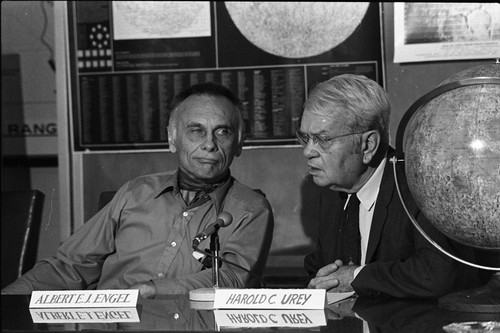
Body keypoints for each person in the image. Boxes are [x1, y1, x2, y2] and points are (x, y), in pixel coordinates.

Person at [2, 82, 274, 298]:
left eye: (222, 132)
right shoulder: (135, 193)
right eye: (196, 131)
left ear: (238, 143)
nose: (209, 144)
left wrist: (149, 291)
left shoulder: (250, 210)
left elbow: (232, 278)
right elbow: (68, 266)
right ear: (172, 138)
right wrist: (8, 299)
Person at [299, 74, 479, 298]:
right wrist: (315, 286)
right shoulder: (332, 192)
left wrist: (357, 277)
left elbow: (438, 274)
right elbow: (317, 268)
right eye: (305, 138)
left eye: (323, 140)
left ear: (368, 146)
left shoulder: (420, 186)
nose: (308, 151)